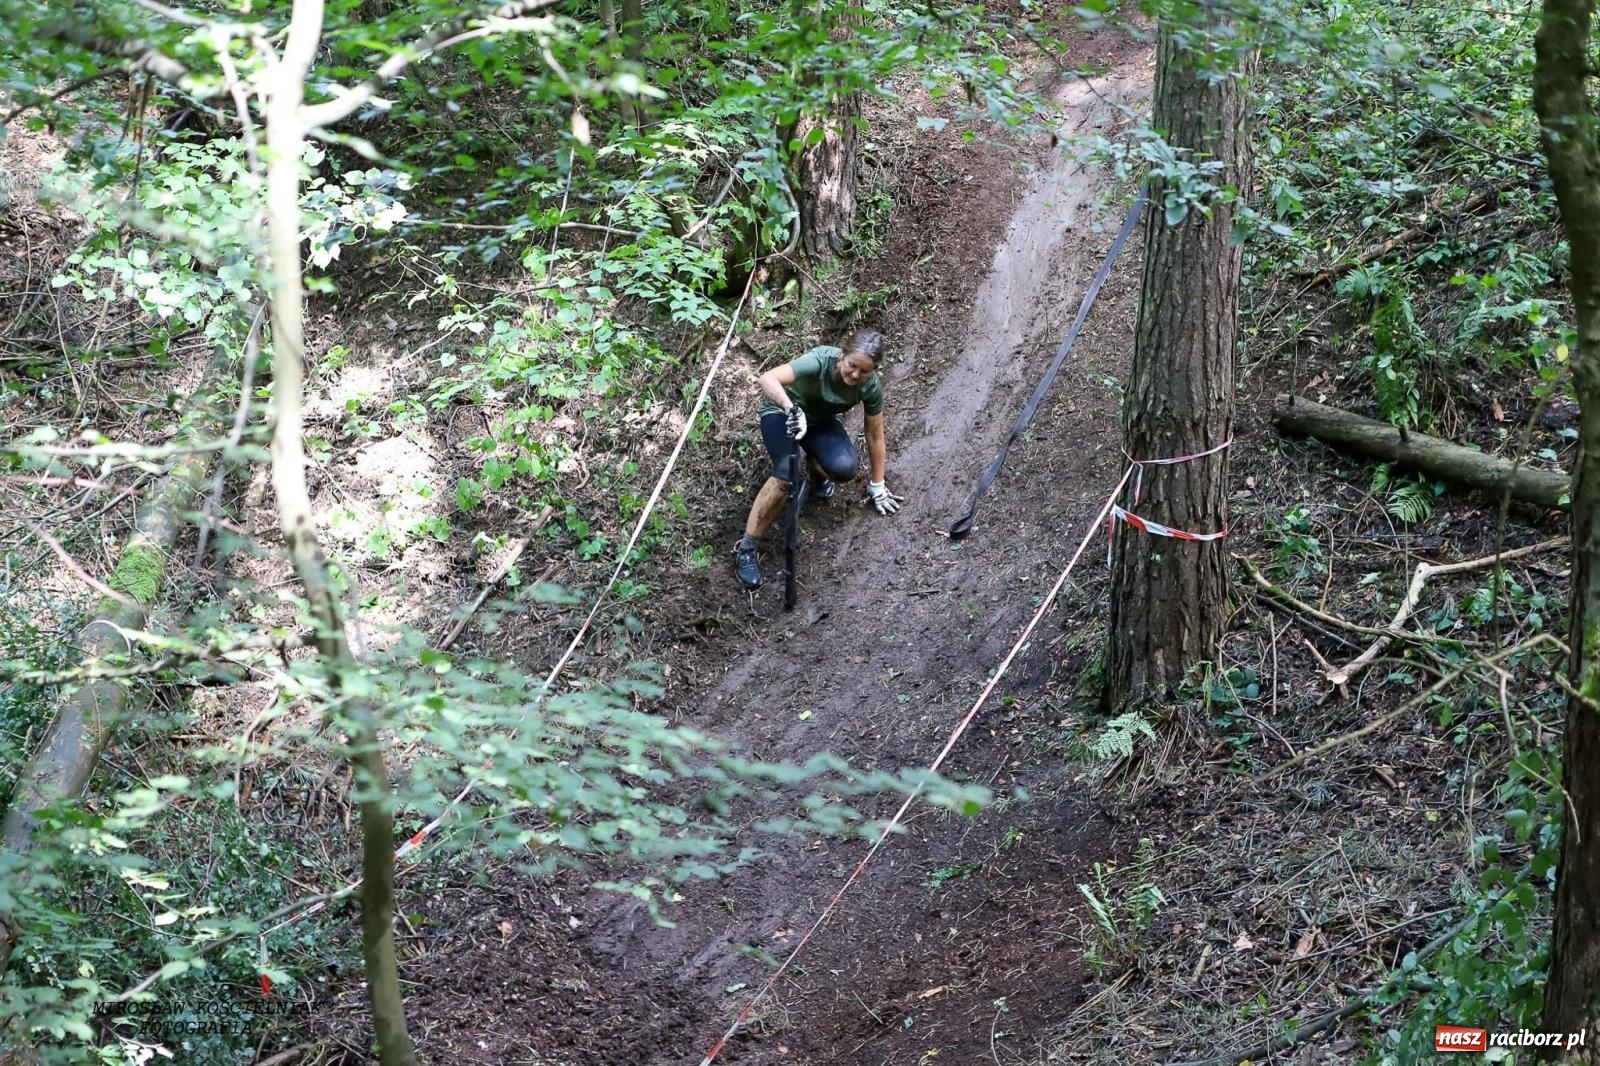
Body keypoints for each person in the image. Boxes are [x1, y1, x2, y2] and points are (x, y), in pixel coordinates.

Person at [732, 329, 903, 590]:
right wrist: (791, 408)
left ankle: (815, 470)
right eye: (853, 365)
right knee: (785, 476)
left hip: (819, 423)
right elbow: (767, 378)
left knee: (845, 468)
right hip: (782, 414)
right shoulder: (820, 360)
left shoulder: (869, 386)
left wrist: (877, 484)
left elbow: (875, 434)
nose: (855, 375)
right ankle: (746, 547)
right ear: (843, 356)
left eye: (864, 371)